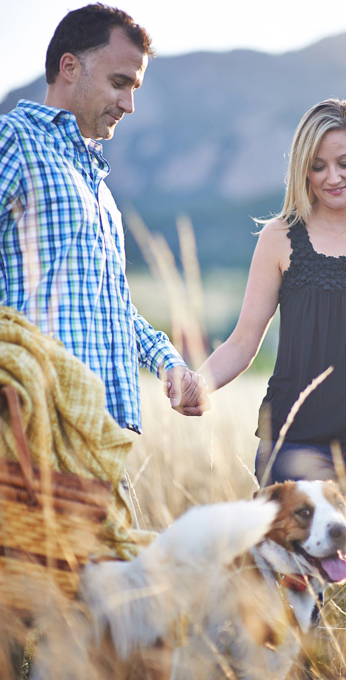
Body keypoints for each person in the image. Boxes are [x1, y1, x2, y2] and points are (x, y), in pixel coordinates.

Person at [198, 98, 346, 677]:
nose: (333, 177)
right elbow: (243, 340)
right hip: (291, 445)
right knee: (286, 595)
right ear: (302, 170)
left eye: (345, 162)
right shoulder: (280, 238)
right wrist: (198, 384)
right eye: (319, 165)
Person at [0, 3, 208, 433]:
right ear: (70, 67)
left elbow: (104, 302)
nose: (129, 105)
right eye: (119, 83)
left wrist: (166, 360)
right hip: (36, 429)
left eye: (134, 89)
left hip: (105, 437)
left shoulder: (96, 185)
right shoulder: (14, 140)